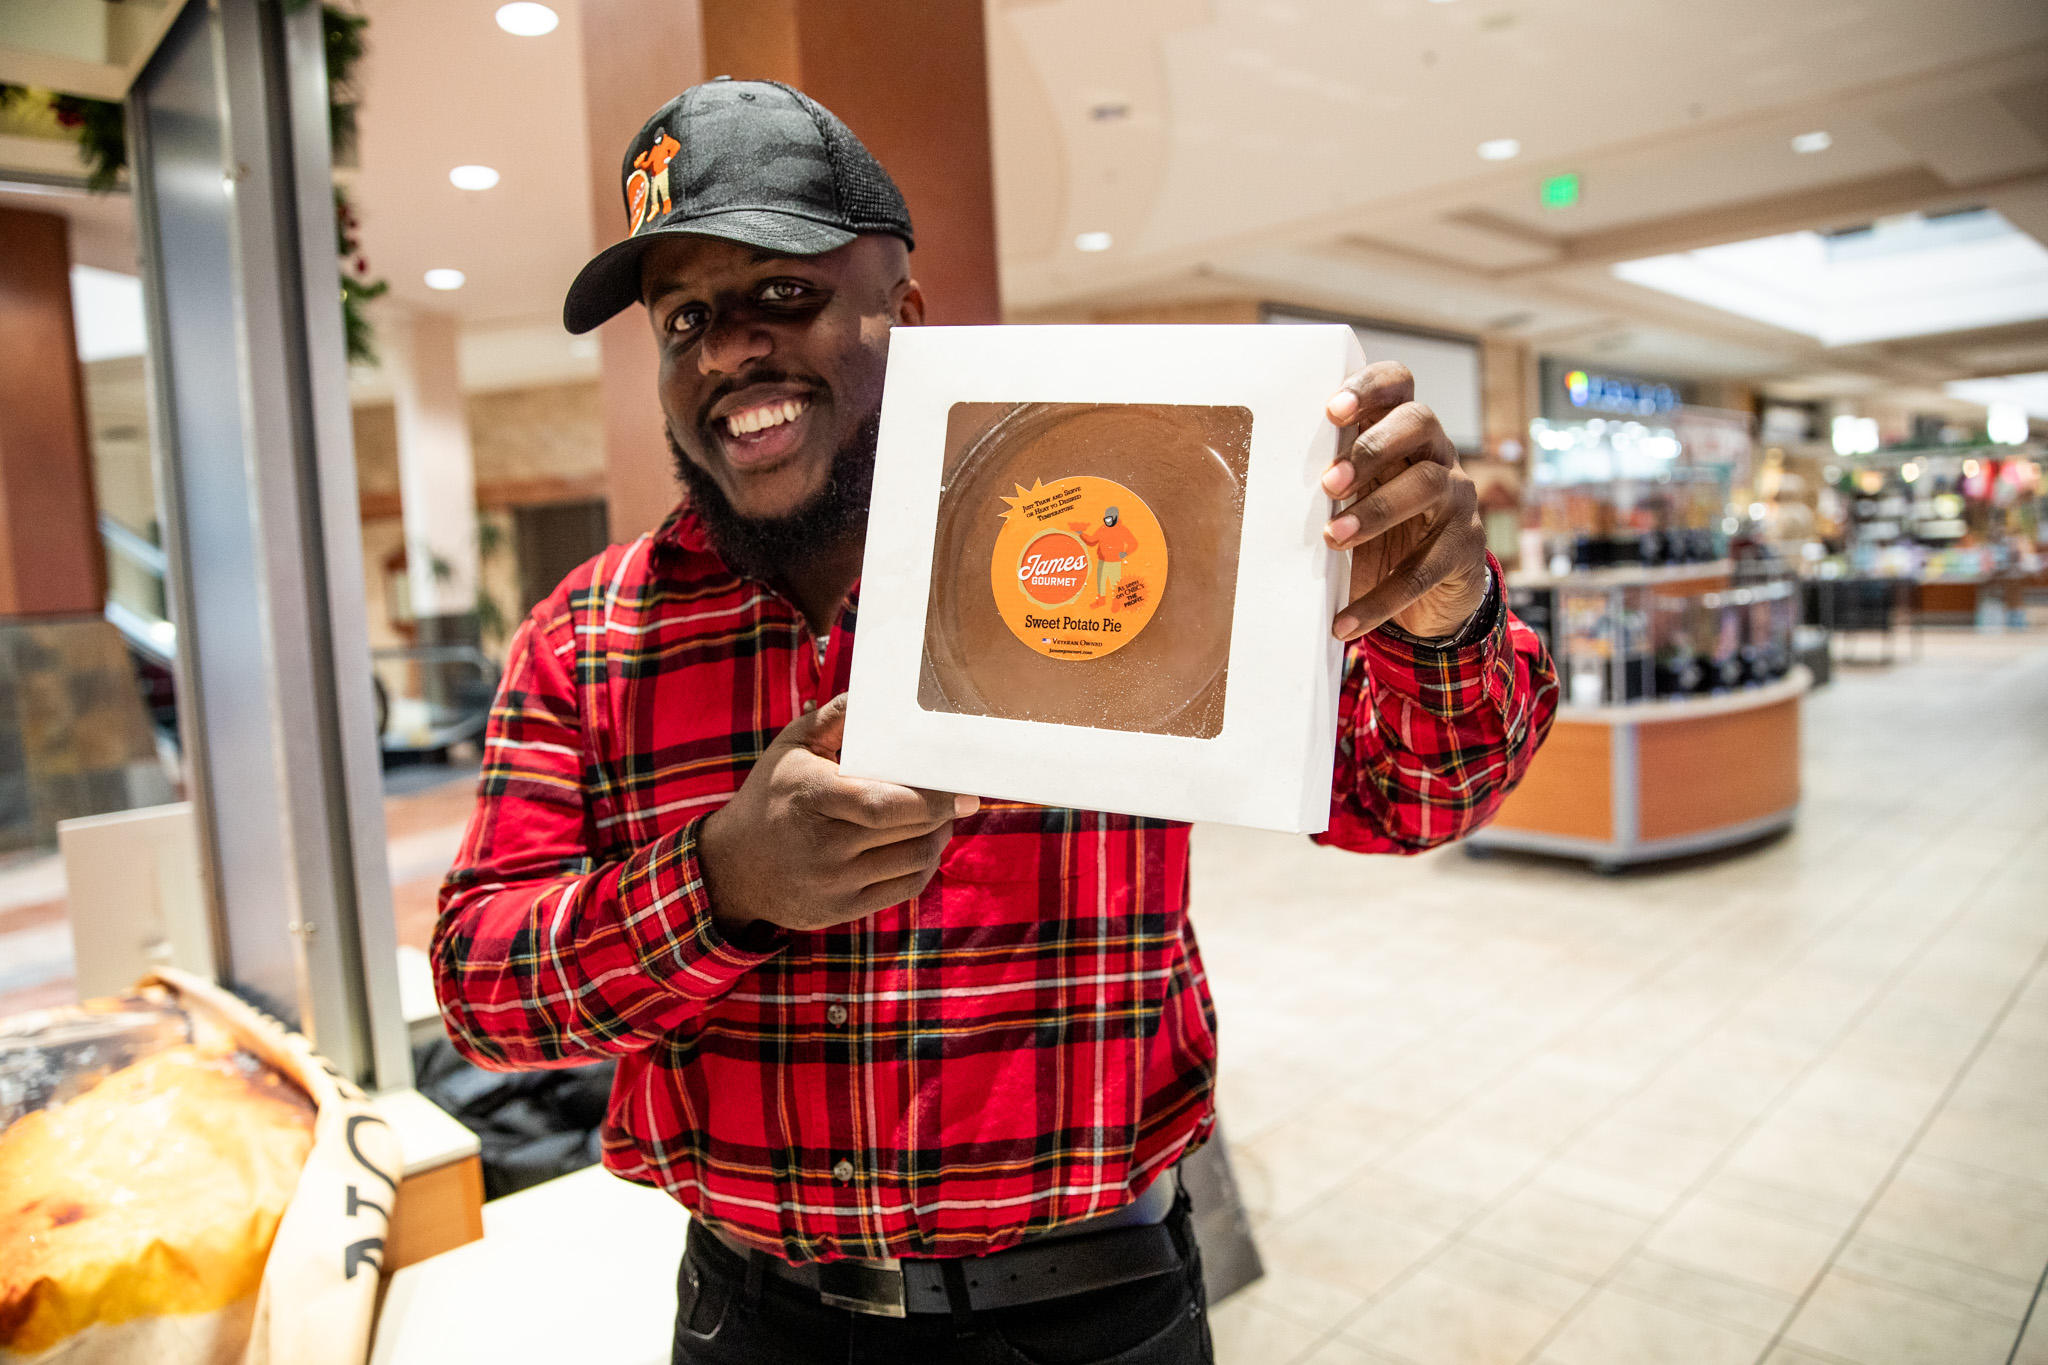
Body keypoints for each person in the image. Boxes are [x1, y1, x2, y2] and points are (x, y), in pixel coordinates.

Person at [433, 78, 1558, 1365]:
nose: (727, 349)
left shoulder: (1097, 545)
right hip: (751, 1320)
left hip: (1091, 1313)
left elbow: (1415, 798)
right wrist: (722, 884)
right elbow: (480, 988)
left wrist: (1439, 608)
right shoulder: (592, 632)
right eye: (684, 318)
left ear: (902, 315)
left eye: (781, 293)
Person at [1070, 506, 1138, 610]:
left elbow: (1133, 543)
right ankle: (1100, 601)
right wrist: (1081, 535)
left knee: (1115, 583)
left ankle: (1116, 603)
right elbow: (1092, 541)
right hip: (1102, 561)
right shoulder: (1102, 529)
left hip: (1115, 562)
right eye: (1105, 519)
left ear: (1115, 518)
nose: (1107, 521)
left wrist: (1125, 553)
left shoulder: (1122, 529)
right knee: (1101, 583)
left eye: (1109, 519)